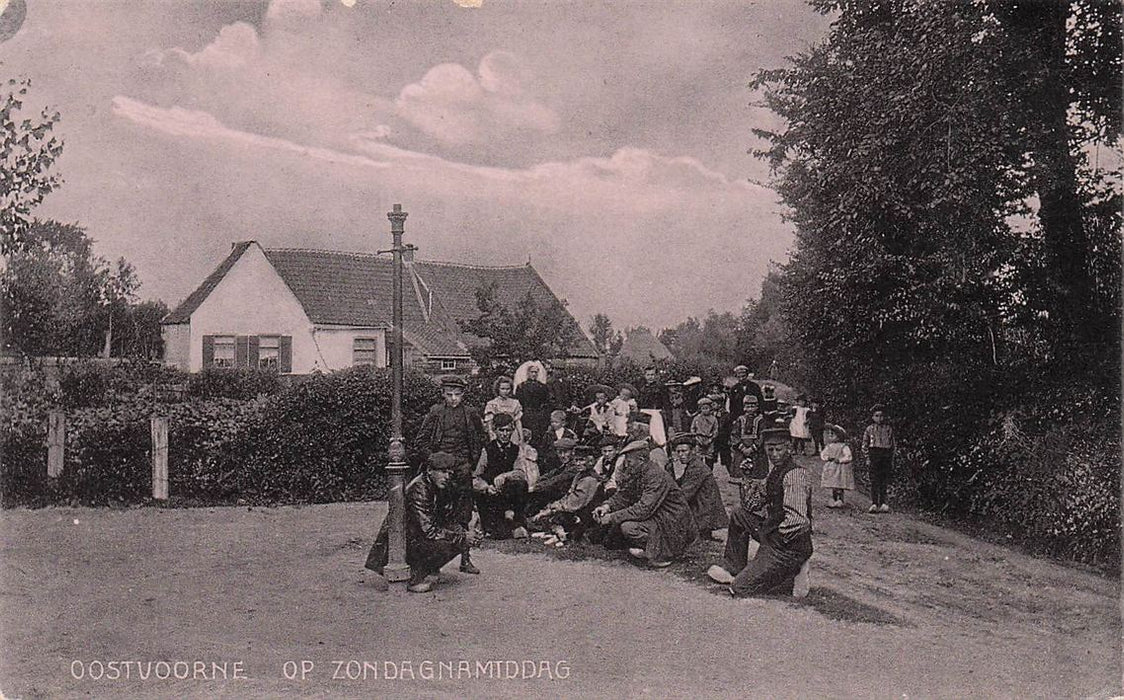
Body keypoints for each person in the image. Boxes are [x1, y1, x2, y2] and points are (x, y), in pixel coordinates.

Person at [707, 417, 814, 598]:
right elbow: (752, 504)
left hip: (788, 544)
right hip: (773, 534)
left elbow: (798, 521)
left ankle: (793, 574)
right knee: (739, 515)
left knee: (740, 588)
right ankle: (734, 567)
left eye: (778, 449)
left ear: (789, 449)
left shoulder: (794, 475)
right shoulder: (775, 472)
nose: (773, 454)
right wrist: (746, 477)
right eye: (769, 449)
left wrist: (771, 542)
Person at [365, 452, 482, 593]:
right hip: (399, 543)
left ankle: (426, 569)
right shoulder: (419, 489)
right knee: (453, 540)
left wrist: (466, 533)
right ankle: (413, 578)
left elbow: (448, 517)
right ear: (429, 470)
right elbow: (429, 531)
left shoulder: (437, 485)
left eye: (449, 473)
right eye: (443, 472)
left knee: (458, 536)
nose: (446, 477)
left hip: (414, 535)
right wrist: (463, 537)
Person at [416, 375, 485, 574]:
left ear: (463, 394)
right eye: (449, 395)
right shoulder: (436, 413)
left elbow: (480, 438)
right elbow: (421, 441)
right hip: (440, 475)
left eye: (457, 395)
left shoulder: (470, 413)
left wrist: (471, 462)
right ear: (442, 394)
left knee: (463, 515)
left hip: (462, 471)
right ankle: (433, 563)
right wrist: (434, 460)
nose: (453, 399)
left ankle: (465, 560)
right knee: (437, 514)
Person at [592, 442, 697, 568]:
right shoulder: (640, 471)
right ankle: (653, 548)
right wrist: (606, 506)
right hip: (659, 517)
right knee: (622, 528)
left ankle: (664, 552)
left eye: (629, 462)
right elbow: (624, 495)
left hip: (673, 521)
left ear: (641, 460)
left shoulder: (655, 475)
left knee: (628, 527)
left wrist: (612, 517)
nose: (627, 465)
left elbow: (643, 509)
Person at [528, 444, 607, 545]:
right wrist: (552, 508)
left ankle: (563, 535)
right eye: (576, 460)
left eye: (581, 460)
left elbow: (573, 504)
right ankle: (557, 533)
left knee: (558, 515)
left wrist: (550, 509)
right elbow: (569, 495)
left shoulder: (589, 479)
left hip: (584, 514)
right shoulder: (580, 475)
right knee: (550, 514)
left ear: (590, 461)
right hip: (576, 508)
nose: (578, 463)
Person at [472, 413, 530, 539]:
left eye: (508, 430)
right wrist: (486, 487)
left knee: (521, 484)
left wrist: (505, 475)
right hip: (492, 497)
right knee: (499, 535)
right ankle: (495, 524)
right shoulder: (487, 450)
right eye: (501, 430)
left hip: (508, 496)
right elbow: (475, 478)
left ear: (512, 430)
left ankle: (516, 519)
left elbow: (521, 473)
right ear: (495, 430)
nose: (504, 434)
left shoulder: (516, 450)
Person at [667, 434, 728, 540]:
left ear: (693, 450)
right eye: (678, 451)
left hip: (704, 512)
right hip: (704, 508)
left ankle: (701, 531)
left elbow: (684, 494)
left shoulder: (697, 468)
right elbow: (681, 482)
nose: (681, 455)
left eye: (684, 451)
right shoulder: (693, 464)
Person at [861, 403, 896, 514]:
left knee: (884, 479)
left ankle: (883, 503)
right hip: (874, 454)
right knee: (874, 480)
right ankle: (874, 503)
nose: (879, 418)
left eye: (881, 416)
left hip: (885, 455)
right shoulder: (869, 429)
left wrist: (892, 457)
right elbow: (865, 444)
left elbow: (893, 444)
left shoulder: (888, 429)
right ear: (872, 417)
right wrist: (867, 457)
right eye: (876, 415)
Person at [728, 395, 765, 479]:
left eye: (753, 406)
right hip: (741, 450)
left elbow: (762, 435)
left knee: (756, 475)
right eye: (748, 407)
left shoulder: (760, 420)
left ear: (757, 407)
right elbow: (734, 434)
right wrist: (742, 448)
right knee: (742, 472)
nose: (750, 409)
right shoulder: (740, 419)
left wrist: (752, 448)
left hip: (755, 451)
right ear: (744, 407)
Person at [515, 362, 552, 439]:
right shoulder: (521, 387)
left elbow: (547, 402)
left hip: (539, 416)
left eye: (536, 372)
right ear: (528, 373)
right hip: (526, 415)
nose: (534, 374)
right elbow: (519, 402)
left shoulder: (543, 387)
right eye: (532, 372)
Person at [820, 423, 854, 508]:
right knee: (833, 484)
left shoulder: (843, 446)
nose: (830, 435)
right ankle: (834, 499)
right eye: (829, 434)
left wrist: (840, 460)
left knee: (839, 483)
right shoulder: (829, 446)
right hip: (831, 467)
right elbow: (823, 454)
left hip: (840, 468)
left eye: (833, 434)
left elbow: (848, 456)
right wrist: (827, 458)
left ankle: (840, 499)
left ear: (839, 436)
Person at [484, 376, 524, 443]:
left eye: (508, 389)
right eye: (503, 389)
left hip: (512, 433)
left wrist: (521, 436)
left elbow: (517, 421)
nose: (505, 391)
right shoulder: (492, 403)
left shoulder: (515, 403)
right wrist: (491, 433)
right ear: (498, 389)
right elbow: (489, 421)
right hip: (498, 433)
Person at [690, 396, 720, 467]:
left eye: (707, 408)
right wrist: (696, 438)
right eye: (703, 408)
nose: (705, 410)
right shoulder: (696, 418)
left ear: (710, 408)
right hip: (699, 439)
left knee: (709, 457)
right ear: (700, 409)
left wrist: (711, 439)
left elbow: (716, 430)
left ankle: (709, 472)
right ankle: (700, 473)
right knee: (698, 457)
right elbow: (692, 429)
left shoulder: (713, 419)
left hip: (709, 440)